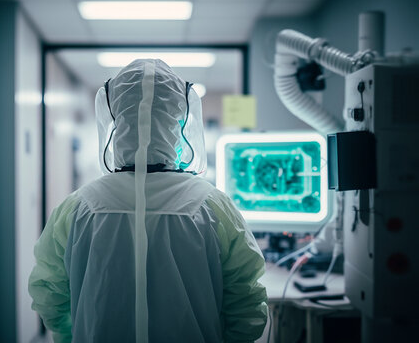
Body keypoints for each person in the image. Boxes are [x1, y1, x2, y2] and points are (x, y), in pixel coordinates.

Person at [28, 59, 268, 343]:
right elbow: (245, 302)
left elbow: (51, 297)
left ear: (116, 117)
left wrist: (74, 335)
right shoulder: (211, 205)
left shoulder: (79, 207)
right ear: (178, 120)